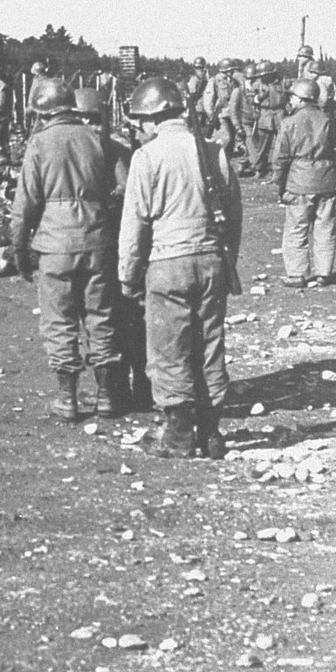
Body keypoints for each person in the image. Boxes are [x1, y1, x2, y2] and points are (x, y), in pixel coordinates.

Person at [118, 77, 242, 459]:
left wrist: (127, 273)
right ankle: (211, 431)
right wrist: (226, 262)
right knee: (209, 344)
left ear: (153, 118)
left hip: (167, 262)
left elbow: (135, 221)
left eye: (140, 121)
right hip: (210, 260)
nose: (139, 129)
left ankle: (179, 434)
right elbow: (234, 215)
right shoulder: (212, 151)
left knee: (170, 348)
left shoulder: (147, 157)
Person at [9, 78, 123, 422]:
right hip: (97, 240)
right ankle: (106, 397)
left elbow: (25, 203)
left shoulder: (40, 143)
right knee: (101, 318)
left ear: (42, 113)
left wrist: (19, 249)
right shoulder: (97, 138)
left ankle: (67, 399)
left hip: (54, 244)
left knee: (59, 322)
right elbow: (117, 188)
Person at [76, 86, 151, 410]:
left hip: (119, 245)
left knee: (130, 318)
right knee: (101, 320)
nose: (89, 127)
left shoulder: (118, 151)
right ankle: (112, 389)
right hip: (94, 247)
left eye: (94, 119)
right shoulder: (76, 152)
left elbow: (129, 193)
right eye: (82, 120)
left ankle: (142, 387)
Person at [273, 78, 336, 287]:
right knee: (325, 228)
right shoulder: (329, 119)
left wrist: (280, 186)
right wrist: (332, 158)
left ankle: (297, 274)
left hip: (299, 183)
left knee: (297, 229)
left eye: (293, 96)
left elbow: (280, 159)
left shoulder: (288, 123)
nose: (290, 100)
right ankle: (324, 273)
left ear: (301, 99)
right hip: (328, 182)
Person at [240, 61, 285, 178]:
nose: (262, 77)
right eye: (261, 76)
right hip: (264, 114)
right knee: (262, 145)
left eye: (265, 75)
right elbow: (249, 98)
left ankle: (279, 170)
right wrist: (257, 98)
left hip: (280, 114)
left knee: (282, 143)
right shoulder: (257, 84)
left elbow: (289, 95)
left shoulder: (283, 82)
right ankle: (259, 169)